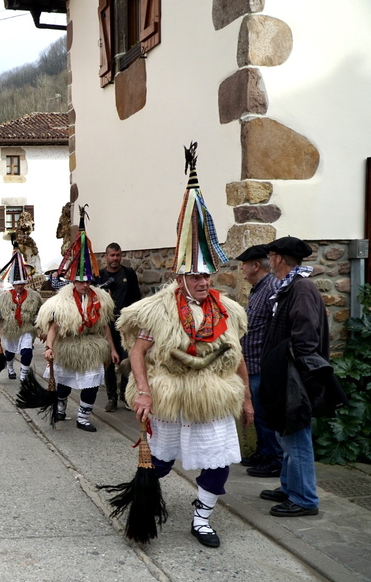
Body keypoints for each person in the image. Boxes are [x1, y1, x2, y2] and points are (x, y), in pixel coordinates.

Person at [117, 146, 252, 548]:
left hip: (212, 397)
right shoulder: (159, 310)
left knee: (219, 464)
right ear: (180, 275)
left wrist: (246, 400)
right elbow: (138, 353)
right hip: (170, 398)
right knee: (157, 463)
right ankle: (142, 503)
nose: (202, 282)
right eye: (194, 276)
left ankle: (203, 517)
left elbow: (236, 356)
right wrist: (142, 391)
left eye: (206, 276)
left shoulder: (227, 309)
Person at [258, 236, 336, 517]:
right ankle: (290, 486)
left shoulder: (300, 288)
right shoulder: (291, 286)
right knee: (286, 435)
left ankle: (304, 498)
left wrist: (286, 365)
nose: (269, 260)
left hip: (295, 377)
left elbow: (304, 340)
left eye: (271, 255)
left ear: (278, 258)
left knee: (296, 436)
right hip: (286, 375)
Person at [37, 220, 118, 432]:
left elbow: (105, 326)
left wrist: (112, 349)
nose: (84, 285)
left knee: (91, 384)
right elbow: (54, 327)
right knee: (64, 384)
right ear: (73, 280)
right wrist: (49, 347)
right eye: (80, 281)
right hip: (68, 346)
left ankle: (83, 418)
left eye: (87, 281)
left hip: (91, 346)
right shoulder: (61, 301)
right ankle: (61, 406)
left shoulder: (100, 299)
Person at [236, 244, 283, 478]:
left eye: (244, 264)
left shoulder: (272, 287)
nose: (241, 269)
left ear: (255, 265)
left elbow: (278, 327)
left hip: (262, 364)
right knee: (258, 412)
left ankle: (274, 458)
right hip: (252, 363)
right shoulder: (257, 289)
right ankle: (264, 452)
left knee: (263, 413)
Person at [97, 242, 142, 411]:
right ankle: (111, 398)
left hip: (126, 324)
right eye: (112, 255)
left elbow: (136, 298)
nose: (115, 259)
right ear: (106, 257)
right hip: (107, 324)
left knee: (126, 361)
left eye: (118, 255)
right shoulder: (100, 276)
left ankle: (124, 394)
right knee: (108, 360)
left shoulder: (128, 274)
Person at [0, 250, 43, 381]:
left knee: (27, 352)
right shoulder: (3, 298)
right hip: (9, 329)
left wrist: (42, 330)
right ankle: (10, 368)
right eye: (17, 283)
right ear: (13, 283)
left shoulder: (34, 296)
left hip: (26, 328)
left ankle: (23, 375)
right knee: (9, 353)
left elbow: (40, 313)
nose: (20, 286)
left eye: (22, 283)